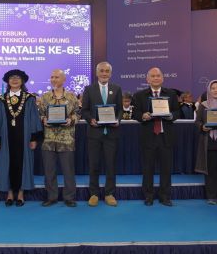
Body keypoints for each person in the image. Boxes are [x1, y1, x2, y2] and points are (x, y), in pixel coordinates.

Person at [0, 69, 43, 206]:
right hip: (6, 138)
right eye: (11, 78)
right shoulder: (1, 99)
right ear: (8, 81)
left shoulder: (30, 98)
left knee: (23, 164)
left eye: (17, 78)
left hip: (24, 138)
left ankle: (20, 194)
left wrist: (34, 138)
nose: (14, 80)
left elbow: (34, 119)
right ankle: (9, 193)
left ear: (22, 81)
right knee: (6, 164)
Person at [133, 67, 181, 206]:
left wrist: (172, 116)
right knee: (148, 168)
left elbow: (177, 111)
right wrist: (143, 115)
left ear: (162, 78)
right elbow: (135, 113)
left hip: (166, 136)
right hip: (148, 136)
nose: (155, 78)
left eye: (158, 76)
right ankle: (148, 196)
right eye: (152, 76)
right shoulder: (139, 95)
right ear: (147, 79)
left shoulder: (171, 94)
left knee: (166, 169)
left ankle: (165, 196)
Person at [80, 61, 123, 206]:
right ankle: (94, 194)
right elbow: (84, 110)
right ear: (97, 73)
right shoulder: (89, 89)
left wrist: (118, 119)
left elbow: (120, 109)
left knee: (111, 165)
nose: (104, 73)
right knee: (94, 165)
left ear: (110, 73)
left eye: (107, 71)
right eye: (102, 71)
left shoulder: (117, 89)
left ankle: (109, 194)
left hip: (111, 134)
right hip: (94, 134)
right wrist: (90, 119)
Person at [39, 69, 79, 207]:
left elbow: (78, 113)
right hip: (48, 140)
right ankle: (52, 197)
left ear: (64, 79)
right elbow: (40, 114)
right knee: (49, 171)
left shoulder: (72, 97)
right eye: (52, 77)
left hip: (66, 139)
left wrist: (71, 120)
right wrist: (43, 119)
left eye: (57, 77)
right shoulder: (44, 97)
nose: (54, 79)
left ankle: (69, 197)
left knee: (68, 171)